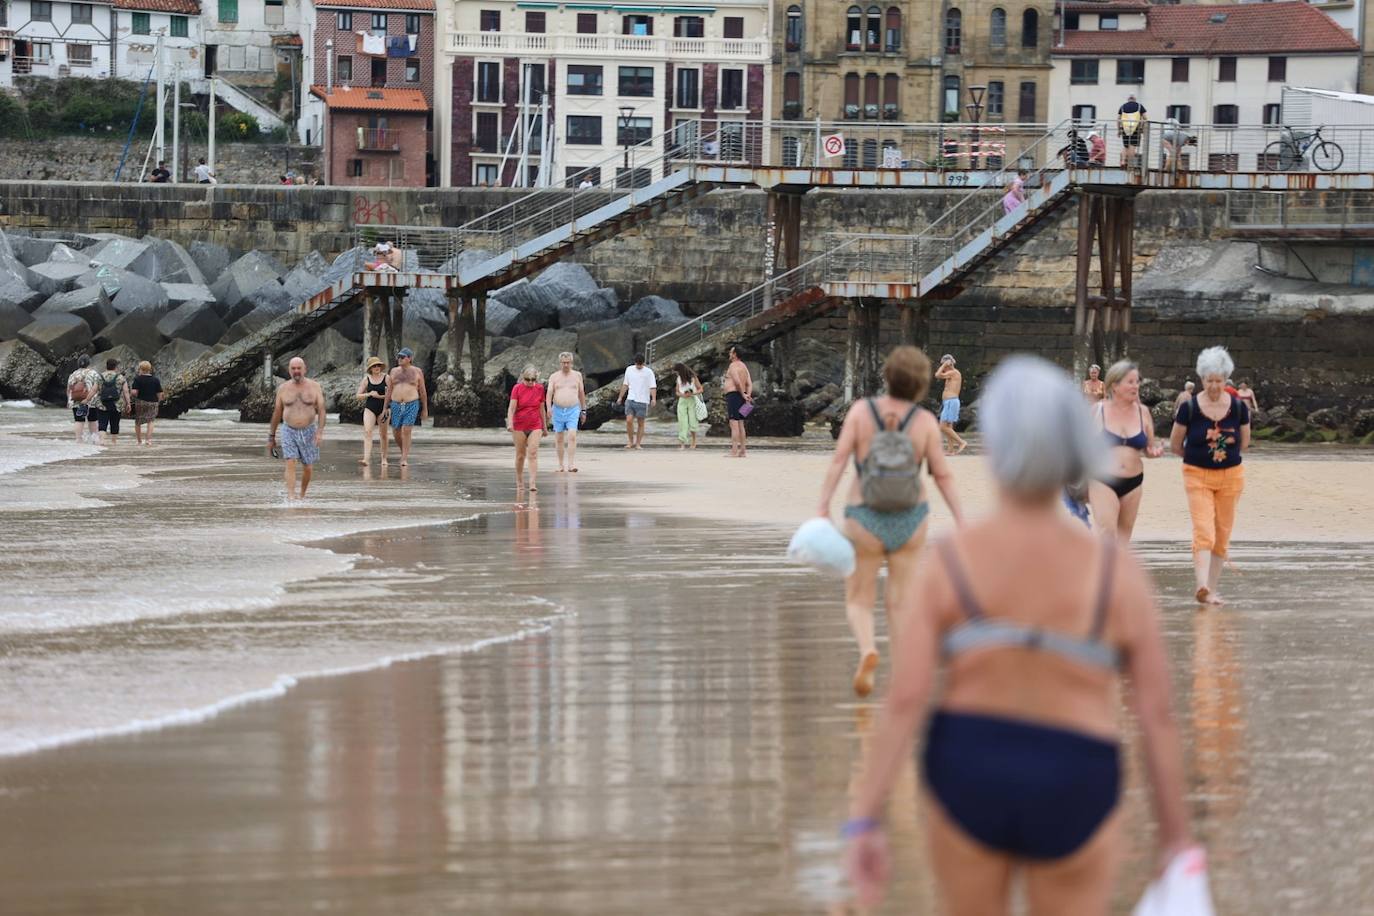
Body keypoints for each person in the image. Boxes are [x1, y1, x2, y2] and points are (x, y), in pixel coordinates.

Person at [844, 355, 1193, 914]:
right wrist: (1177, 842)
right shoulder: (1116, 572)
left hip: (971, 765)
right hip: (1076, 769)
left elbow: (906, 699)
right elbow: (1156, 714)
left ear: (998, 444)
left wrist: (865, 818)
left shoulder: (952, 563)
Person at [816, 347, 963, 697]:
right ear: (921, 383)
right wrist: (961, 520)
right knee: (901, 599)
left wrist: (823, 506)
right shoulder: (924, 421)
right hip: (911, 518)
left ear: (887, 376)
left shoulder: (861, 412)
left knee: (859, 597)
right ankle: (902, 671)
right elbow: (942, 475)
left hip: (865, 514)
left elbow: (839, 460)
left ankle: (868, 649)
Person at [1171, 346, 1250, 606]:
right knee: (1204, 529)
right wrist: (1197, 459)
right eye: (1209, 380)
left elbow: (1244, 443)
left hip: (1231, 476)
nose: (1214, 386)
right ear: (1201, 379)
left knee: (1222, 533)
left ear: (1226, 379)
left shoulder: (1239, 408)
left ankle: (1212, 590)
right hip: (1196, 475)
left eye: (1218, 380)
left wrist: (1223, 458)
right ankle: (1201, 585)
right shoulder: (1189, 408)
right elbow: (1175, 445)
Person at [1088, 360, 1164, 541]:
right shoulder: (1097, 410)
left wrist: (1153, 453)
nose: (1135, 386)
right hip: (1102, 479)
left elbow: (1148, 448)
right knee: (1107, 533)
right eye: (1130, 382)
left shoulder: (1143, 412)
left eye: (1137, 382)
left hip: (1133, 482)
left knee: (1123, 539)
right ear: (1115, 385)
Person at [268, 357, 326, 501]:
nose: (296, 371)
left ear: (304, 369)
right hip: (288, 429)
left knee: (308, 467)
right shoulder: (283, 388)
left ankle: (302, 494)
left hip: (309, 430)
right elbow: (277, 412)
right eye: (293, 368)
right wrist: (271, 436)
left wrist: (319, 432)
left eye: (299, 368)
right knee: (290, 460)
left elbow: (322, 410)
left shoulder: (315, 387)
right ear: (289, 370)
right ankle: (291, 495)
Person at [507, 365, 548, 492]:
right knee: (520, 455)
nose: (530, 382)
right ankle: (519, 481)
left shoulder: (540, 388)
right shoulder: (517, 388)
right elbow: (511, 408)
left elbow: (542, 409)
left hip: (535, 425)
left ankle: (532, 482)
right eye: (527, 379)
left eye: (533, 379)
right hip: (519, 425)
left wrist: (545, 427)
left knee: (533, 453)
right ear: (522, 377)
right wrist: (510, 423)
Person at [384, 347, 427, 467]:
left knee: (406, 430)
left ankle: (404, 458)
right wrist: (385, 407)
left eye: (402, 357)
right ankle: (404, 450)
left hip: (411, 403)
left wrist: (425, 409)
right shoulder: (393, 371)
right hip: (396, 404)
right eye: (399, 357)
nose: (400, 359)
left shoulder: (417, 371)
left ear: (409, 358)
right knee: (396, 431)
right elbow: (389, 390)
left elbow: (423, 391)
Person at [545, 351, 586, 472]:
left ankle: (571, 464)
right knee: (559, 437)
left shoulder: (577, 375)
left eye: (568, 362)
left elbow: (581, 393)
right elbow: (549, 394)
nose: (566, 365)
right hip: (557, 409)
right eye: (563, 363)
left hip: (573, 409)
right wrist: (548, 408)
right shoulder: (554, 376)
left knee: (572, 435)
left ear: (572, 363)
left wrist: (583, 410)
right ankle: (560, 464)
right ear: (560, 363)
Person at [615, 353, 657, 450]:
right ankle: (630, 442)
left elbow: (652, 386)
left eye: (640, 365)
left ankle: (638, 443)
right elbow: (625, 384)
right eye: (637, 364)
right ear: (635, 363)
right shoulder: (629, 370)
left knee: (640, 423)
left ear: (644, 363)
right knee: (629, 420)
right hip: (630, 398)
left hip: (643, 400)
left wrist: (653, 398)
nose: (639, 366)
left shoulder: (649, 372)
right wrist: (620, 397)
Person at [355, 356, 390, 465]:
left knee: (383, 434)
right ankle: (366, 459)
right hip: (370, 408)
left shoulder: (387, 378)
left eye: (378, 365)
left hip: (384, 408)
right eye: (374, 366)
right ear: (370, 368)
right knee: (368, 431)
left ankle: (384, 458)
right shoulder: (366, 379)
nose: (376, 367)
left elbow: (391, 395)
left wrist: (379, 396)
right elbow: (358, 395)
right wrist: (369, 394)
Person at [722, 346, 754, 458]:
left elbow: (736, 381)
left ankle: (734, 451)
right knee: (741, 424)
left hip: (734, 396)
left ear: (735, 354)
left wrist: (742, 394)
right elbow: (749, 383)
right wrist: (747, 395)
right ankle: (743, 451)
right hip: (742, 396)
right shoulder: (744, 366)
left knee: (734, 423)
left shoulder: (733, 365)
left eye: (731, 352)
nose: (729, 353)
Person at [934, 354, 967, 454]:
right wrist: (945, 365)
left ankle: (961, 442)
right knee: (948, 427)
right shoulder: (950, 374)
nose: (943, 368)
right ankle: (951, 449)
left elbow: (937, 375)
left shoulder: (954, 373)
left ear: (948, 364)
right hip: (948, 402)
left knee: (942, 427)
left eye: (943, 365)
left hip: (951, 402)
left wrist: (944, 365)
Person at [95, 357, 132, 446]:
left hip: (102, 403)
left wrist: (87, 399)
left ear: (106, 366)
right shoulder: (121, 377)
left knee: (102, 423)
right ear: (116, 367)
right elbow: (126, 391)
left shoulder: (99, 377)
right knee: (115, 423)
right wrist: (128, 403)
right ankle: (113, 442)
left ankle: (102, 441)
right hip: (117, 404)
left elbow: (94, 390)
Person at [66, 354, 102, 443]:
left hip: (76, 400)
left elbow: (69, 389)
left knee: (79, 420)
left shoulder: (73, 374)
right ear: (89, 363)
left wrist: (69, 401)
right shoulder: (94, 373)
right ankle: (94, 439)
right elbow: (98, 387)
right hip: (91, 400)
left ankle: (78, 440)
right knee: (93, 420)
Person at [130, 360, 164, 446]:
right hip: (153, 402)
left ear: (140, 369)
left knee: (138, 421)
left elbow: (134, 392)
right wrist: (159, 401)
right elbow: (160, 393)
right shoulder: (155, 380)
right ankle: (148, 440)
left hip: (141, 402)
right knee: (151, 421)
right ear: (149, 369)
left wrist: (132, 394)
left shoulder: (137, 379)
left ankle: (139, 441)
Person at [673, 362, 704, 449]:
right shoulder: (679, 379)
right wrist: (682, 395)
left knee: (693, 421)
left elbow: (701, 389)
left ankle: (694, 441)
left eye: (677, 372)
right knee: (682, 422)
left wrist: (693, 393)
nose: (676, 374)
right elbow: (677, 391)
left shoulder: (693, 378)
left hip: (692, 400)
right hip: (682, 400)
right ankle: (682, 443)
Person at [1117, 94, 1146, 166]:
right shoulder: (1139, 106)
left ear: (1128, 99)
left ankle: (1123, 161)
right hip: (1136, 128)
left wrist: (1119, 130)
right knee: (1132, 145)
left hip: (1125, 128)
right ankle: (1130, 163)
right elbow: (1145, 118)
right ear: (1135, 99)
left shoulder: (1123, 107)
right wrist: (1142, 128)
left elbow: (1118, 119)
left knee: (1125, 146)